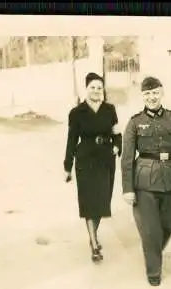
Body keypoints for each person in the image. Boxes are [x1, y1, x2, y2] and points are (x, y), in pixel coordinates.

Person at [121, 76, 171, 286]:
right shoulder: (135, 122)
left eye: (155, 93)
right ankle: (154, 271)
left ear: (162, 93)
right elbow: (127, 158)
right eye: (147, 94)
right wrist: (127, 189)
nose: (151, 97)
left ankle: (153, 248)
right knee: (150, 229)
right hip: (144, 182)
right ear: (142, 96)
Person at [63, 72, 122, 263]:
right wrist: (67, 166)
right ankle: (95, 244)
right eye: (92, 87)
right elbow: (72, 140)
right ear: (86, 89)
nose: (96, 91)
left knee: (102, 202)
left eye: (99, 87)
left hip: (106, 159)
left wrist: (117, 146)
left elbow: (117, 133)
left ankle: (92, 235)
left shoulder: (110, 109)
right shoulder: (76, 113)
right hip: (85, 160)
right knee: (90, 202)